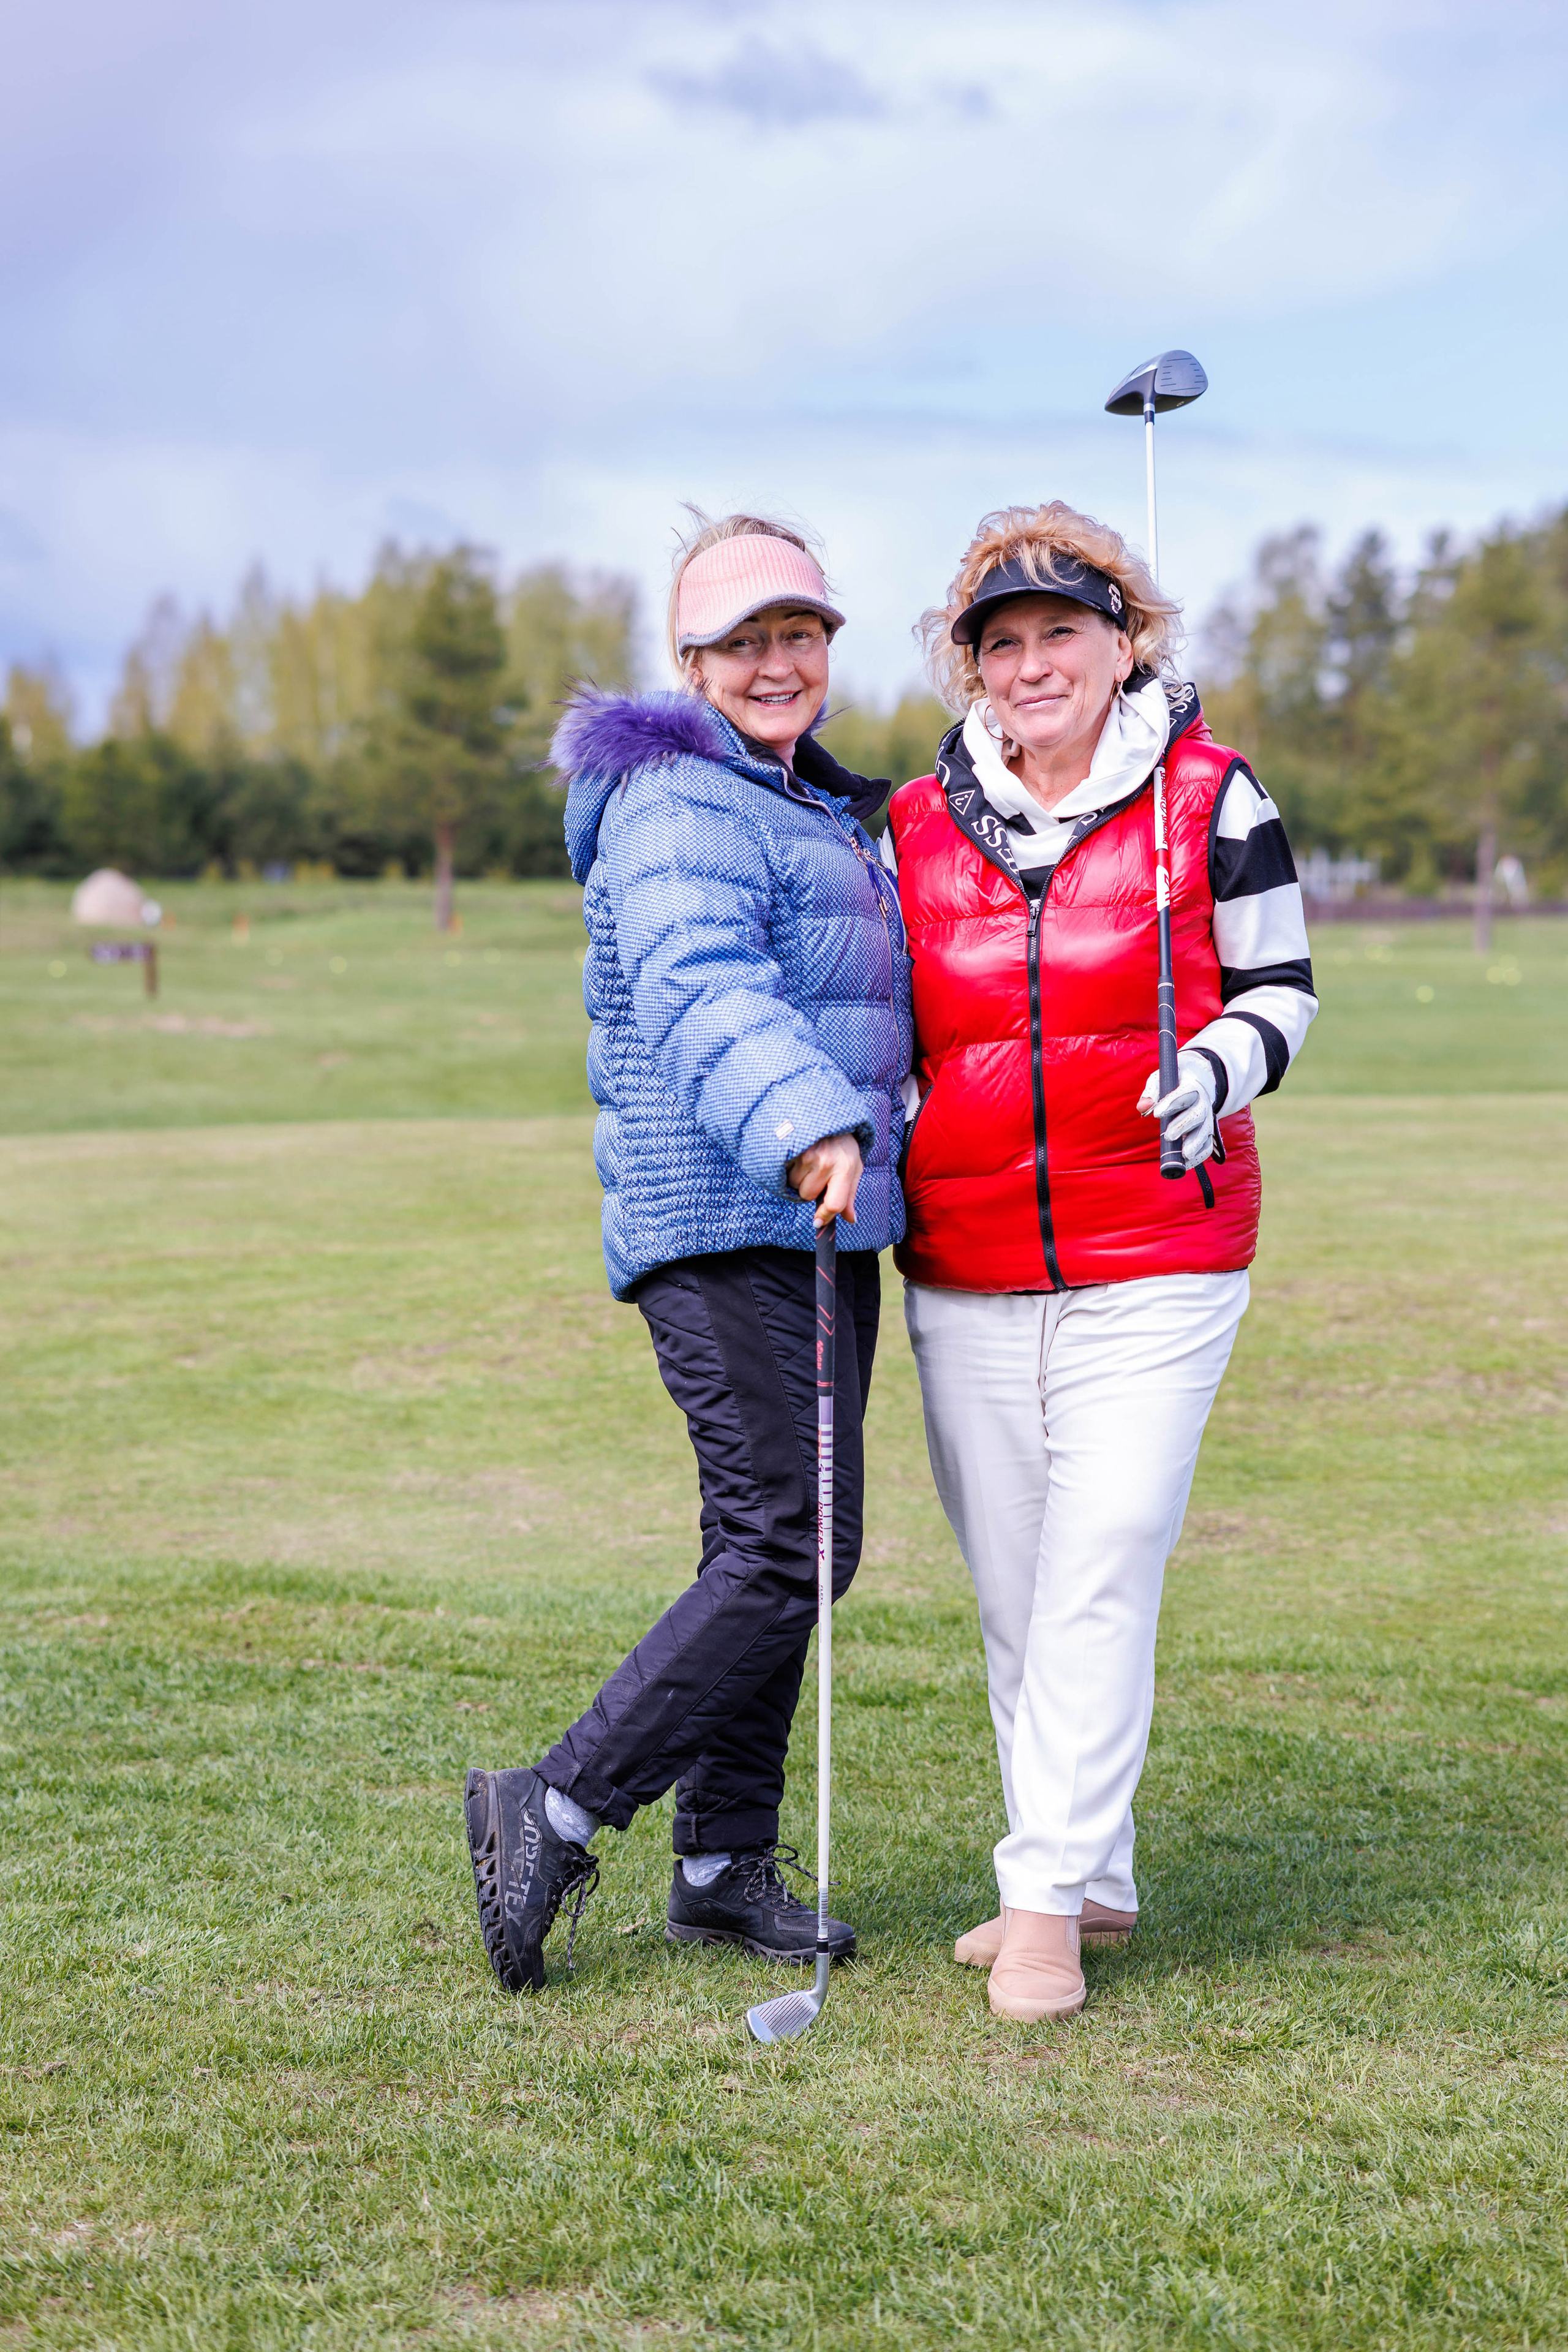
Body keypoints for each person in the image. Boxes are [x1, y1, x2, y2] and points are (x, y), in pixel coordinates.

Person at [883, 502, 1317, 2022]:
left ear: (1122, 638)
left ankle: (1041, 1908)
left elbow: (1283, 987)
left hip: (1164, 1243)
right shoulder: (916, 823)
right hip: (966, 1259)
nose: (1026, 665)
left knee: (1100, 1559)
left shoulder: (1207, 794)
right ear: (968, 670)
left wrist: (1214, 1066)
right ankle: (1098, 1869)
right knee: (1017, 1588)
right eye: (996, 644)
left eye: (1058, 630)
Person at [466, 513, 911, 1992]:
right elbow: (695, 982)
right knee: (792, 1547)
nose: (776, 662)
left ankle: (722, 1866)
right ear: (688, 662)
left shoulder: (804, 803)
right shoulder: (675, 800)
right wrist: (806, 1124)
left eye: (799, 634)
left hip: (820, 1219)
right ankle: (555, 1803)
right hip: (732, 1209)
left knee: (774, 1548)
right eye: (743, 641)